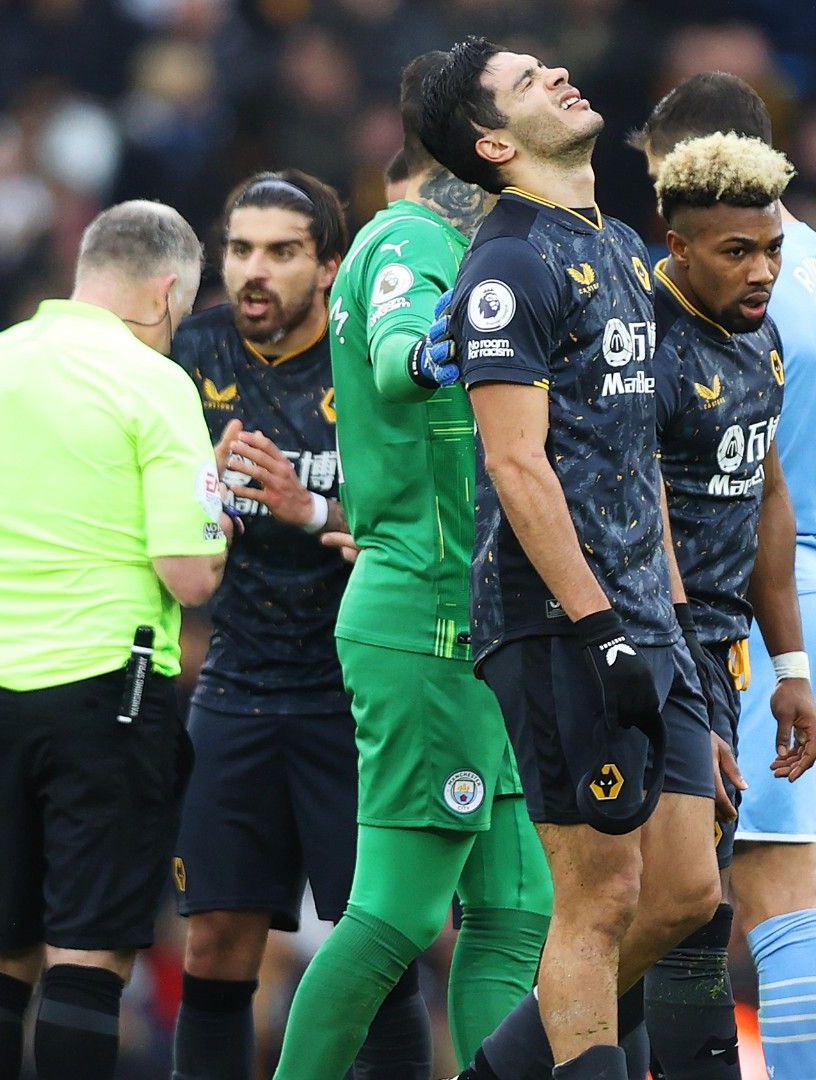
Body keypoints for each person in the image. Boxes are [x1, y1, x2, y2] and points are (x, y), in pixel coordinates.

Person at [415, 36, 740, 1080]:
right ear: (492, 143)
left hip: (649, 619)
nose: (555, 74)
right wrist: (601, 630)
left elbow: (639, 456)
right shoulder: (506, 265)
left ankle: (500, 1072)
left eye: (546, 64)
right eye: (525, 82)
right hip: (558, 622)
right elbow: (515, 465)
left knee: (688, 892)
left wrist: (679, 643)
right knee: (597, 898)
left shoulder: (626, 251)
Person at [271, 54, 553, 1078]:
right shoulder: (411, 236)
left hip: (489, 626)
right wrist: (467, 340)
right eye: (525, 89)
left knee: (518, 909)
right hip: (428, 618)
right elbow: (397, 359)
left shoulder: (486, 245)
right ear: (483, 136)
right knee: (396, 912)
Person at [0, 200, 231, 1080]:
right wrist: (217, 521)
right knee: (87, 958)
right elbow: (189, 573)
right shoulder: (151, 382)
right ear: (163, 292)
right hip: (108, 690)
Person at [637, 73, 816, 1079]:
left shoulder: (735, 277)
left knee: (774, 894)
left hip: (757, 592)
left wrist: (771, 630)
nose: (668, 216)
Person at [168, 170, 431, 1079]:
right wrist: (187, 490)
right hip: (236, 687)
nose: (254, 271)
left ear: (328, 266)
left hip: (352, 698)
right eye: (240, 250)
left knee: (374, 949)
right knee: (213, 948)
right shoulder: (189, 355)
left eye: (281, 252)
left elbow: (421, 506)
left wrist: (306, 506)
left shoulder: (369, 358)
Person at [642, 131, 816, 1079]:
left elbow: (771, 495)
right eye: (736, 252)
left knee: (691, 903)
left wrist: (789, 668)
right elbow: (647, 518)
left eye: (771, 250)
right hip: (643, 642)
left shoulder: (766, 337)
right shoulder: (646, 342)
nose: (763, 272)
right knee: (678, 898)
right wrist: (684, 689)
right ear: (678, 247)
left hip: (723, 648)